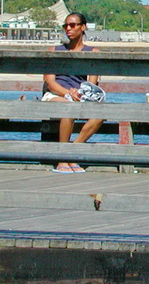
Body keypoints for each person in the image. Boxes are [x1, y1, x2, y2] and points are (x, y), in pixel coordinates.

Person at [42, 13, 104, 173]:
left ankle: (71, 152)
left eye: (73, 25)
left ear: (83, 27)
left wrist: (81, 93)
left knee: (101, 114)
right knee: (68, 108)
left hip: (80, 95)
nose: (68, 29)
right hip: (56, 95)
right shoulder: (55, 50)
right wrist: (67, 93)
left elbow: (92, 83)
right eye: (66, 26)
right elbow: (50, 82)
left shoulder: (93, 52)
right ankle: (63, 159)